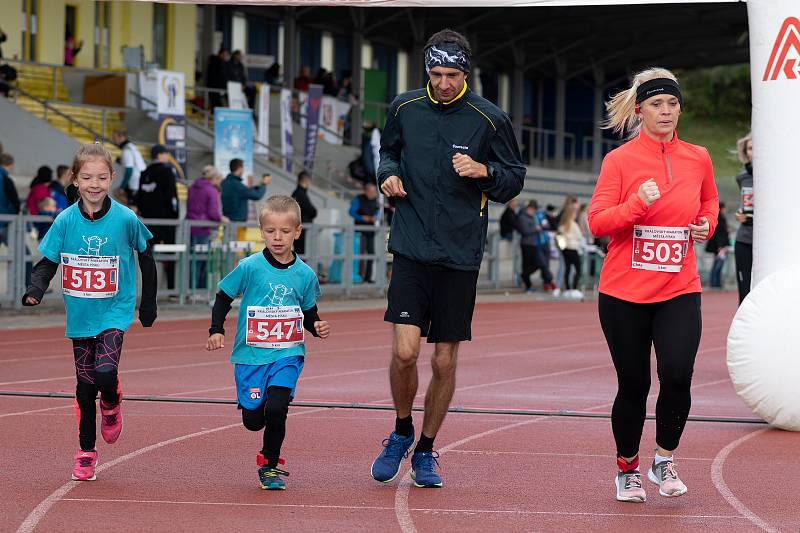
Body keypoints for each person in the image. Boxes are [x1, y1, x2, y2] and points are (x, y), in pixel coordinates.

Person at [371, 28, 525, 487]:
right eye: (435, 74)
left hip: (460, 253)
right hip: (411, 246)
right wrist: (388, 176)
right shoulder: (403, 107)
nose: (442, 83)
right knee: (404, 352)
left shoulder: (490, 119)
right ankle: (401, 431)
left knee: (442, 361)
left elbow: (513, 179)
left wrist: (485, 171)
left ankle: (426, 449)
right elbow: (388, 152)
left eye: (451, 74)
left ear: (466, 72)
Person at [588, 68, 718, 503]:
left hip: (680, 287)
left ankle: (664, 458)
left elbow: (709, 200)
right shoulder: (619, 160)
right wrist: (635, 205)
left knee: (678, 374)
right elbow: (597, 223)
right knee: (634, 384)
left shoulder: (699, 156)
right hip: (624, 292)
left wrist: (706, 224)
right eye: (657, 104)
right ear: (640, 110)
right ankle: (627, 467)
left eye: (672, 104)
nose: (666, 111)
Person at [22, 143, 157, 481]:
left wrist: (148, 303)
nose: (94, 184)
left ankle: (111, 404)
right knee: (84, 387)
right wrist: (35, 289)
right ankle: (86, 452)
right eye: (87, 177)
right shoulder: (65, 221)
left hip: (115, 309)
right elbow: (48, 262)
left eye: (101, 177)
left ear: (111, 178)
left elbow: (147, 256)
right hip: (81, 314)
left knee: (105, 374)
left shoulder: (125, 218)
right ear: (75, 180)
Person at [207, 195, 331, 490]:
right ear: (261, 231)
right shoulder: (249, 267)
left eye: (285, 231)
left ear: (297, 232)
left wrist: (316, 326)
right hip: (251, 355)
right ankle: (260, 410)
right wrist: (216, 329)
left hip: (287, 353)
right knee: (253, 420)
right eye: (271, 231)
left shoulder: (304, 274)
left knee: (277, 408)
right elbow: (224, 296)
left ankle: (270, 464)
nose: (278, 238)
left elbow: (308, 310)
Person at [136, 145, 179, 290]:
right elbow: (171, 196)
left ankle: (148, 290)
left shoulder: (145, 173)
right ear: (160, 155)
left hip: (148, 221)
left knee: (148, 256)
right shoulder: (167, 171)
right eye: (166, 153)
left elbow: (140, 198)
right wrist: (175, 216)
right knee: (171, 254)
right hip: (167, 221)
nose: (167, 156)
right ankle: (172, 289)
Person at [187, 165, 227, 289]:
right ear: (214, 178)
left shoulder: (192, 187)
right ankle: (199, 289)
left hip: (190, 226)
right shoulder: (211, 190)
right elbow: (213, 212)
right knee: (202, 260)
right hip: (203, 228)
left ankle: (190, 289)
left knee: (191, 259)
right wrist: (222, 219)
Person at [517, 199, 554, 293]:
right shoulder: (523, 217)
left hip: (533, 244)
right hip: (527, 244)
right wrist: (535, 229)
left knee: (538, 263)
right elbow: (525, 231)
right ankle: (527, 283)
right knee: (528, 265)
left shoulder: (530, 217)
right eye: (533, 209)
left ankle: (525, 277)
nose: (534, 211)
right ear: (529, 208)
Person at [734, 132, 753, 304]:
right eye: (750, 148)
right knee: (745, 290)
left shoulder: (777, 178)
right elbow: (747, 204)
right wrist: (742, 213)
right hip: (745, 240)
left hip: (768, 244)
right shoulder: (742, 177)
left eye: (756, 148)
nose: (753, 152)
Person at [349, 182, 380, 283]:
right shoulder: (358, 199)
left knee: (371, 254)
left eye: (374, 192)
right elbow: (351, 212)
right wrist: (363, 218)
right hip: (360, 232)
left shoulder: (375, 201)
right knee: (360, 255)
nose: (373, 194)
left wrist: (375, 217)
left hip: (371, 231)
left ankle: (368, 277)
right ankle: (359, 277)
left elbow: (378, 212)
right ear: (366, 191)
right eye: (371, 192)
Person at [556, 200, 585, 299]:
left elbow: (559, 236)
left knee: (567, 268)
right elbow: (580, 237)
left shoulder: (562, 225)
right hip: (573, 248)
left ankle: (568, 288)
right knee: (578, 269)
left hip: (565, 249)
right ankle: (574, 287)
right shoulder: (574, 225)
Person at [112, 130, 147, 205]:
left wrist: (122, 187)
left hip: (134, 183)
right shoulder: (132, 147)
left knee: (118, 193)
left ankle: (136, 213)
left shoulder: (127, 150)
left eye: (115, 138)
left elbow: (129, 170)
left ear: (122, 137)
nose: (114, 141)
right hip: (141, 181)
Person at [291, 170, 317, 255]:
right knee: (303, 254)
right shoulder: (301, 194)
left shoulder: (295, 193)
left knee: (298, 253)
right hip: (303, 229)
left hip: (296, 227)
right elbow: (312, 211)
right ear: (306, 181)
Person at [706, 202, 730, 288]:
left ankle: (715, 282)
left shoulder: (717, 218)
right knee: (718, 265)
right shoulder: (720, 219)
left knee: (716, 264)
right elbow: (720, 234)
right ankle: (715, 283)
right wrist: (721, 245)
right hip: (720, 246)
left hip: (717, 246)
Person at [0, 152, 21, 246]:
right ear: (10, 165)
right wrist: (13, 211)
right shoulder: (4, 178)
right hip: (5, 220)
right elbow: (14, 200)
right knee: (20, 253)